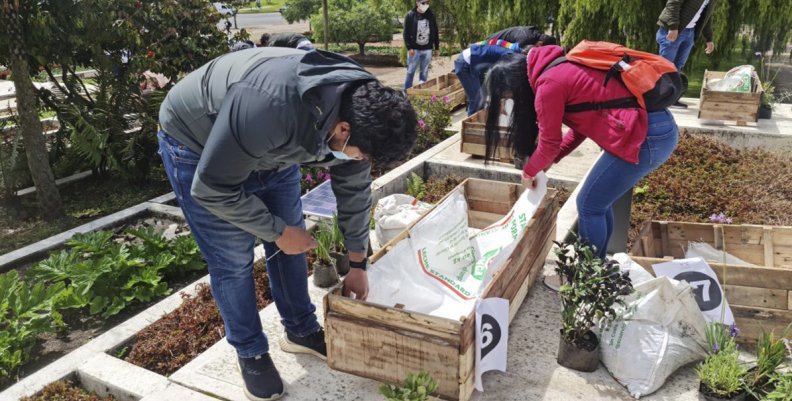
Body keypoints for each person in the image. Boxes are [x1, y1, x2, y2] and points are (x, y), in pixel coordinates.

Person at [157, 47, 417, 401]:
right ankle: (250, 351)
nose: (359, 161)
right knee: (232, 261)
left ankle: (300, 330)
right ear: (343, 130)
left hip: (269, 145)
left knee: (295, 245)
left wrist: (358, 262)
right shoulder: (270, 107)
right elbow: (213, 187)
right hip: (197, 145)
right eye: (361, 155)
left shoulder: (364, 108)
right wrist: (277, 231)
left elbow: (354, 190)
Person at [483, 47, 679, 259]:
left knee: (588, 205)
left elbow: (549, 143)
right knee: (599, 204)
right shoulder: (560, 67)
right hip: (654, 129)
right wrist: (553, 158)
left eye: (508, 96)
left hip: (646, 137)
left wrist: (529, 172)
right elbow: (581, 128)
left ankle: (586, 276)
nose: (510, 102)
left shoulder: (548, 85)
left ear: (517, 85)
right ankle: (598, 268)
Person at [657, 0, 717, 108]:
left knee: (678, 67)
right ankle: (659, 100)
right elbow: (673, 4)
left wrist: (709, 39)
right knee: (665, 67)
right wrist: (673, 26)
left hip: (689, 32)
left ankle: (672, 99)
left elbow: (706, 16)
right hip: (673, 30)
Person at [454, 39, 523, 116]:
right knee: (476, 99)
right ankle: (470, 125)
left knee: (483, 97)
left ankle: (479, 121)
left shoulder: (511, 48)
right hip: (466, 64)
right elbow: (501, 77)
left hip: (476, 64)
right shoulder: (509, 54)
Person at [403, 0, 439, 90]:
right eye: (423, 3)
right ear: (417, 3)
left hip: (427, 49)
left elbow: (435, 31)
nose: (425, 5)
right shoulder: (410, 15)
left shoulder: (430, 15)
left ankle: (421, 91)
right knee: (410, 71)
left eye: (427, 3)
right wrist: (409, 47)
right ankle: (406, 92)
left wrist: (437, 47)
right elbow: (405, 33)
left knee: (424, 72)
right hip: (414, 49)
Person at [486, 26, 557, 48]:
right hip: (490, 43)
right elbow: (514, 52)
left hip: (493, 39)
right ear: (541, 43)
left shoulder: (534, 31)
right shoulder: (527, 40)